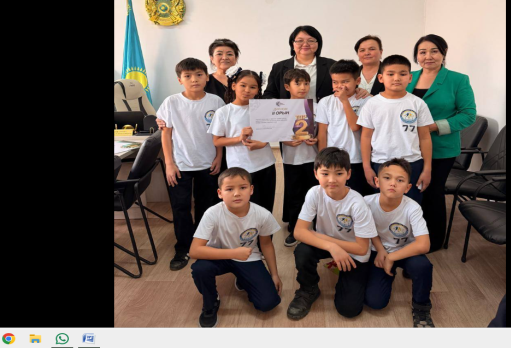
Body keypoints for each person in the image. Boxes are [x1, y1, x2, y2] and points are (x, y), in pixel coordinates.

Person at [287, 148, 377, 320]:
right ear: (316, 174)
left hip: (354, 251)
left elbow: (361, 248)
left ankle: (349, 275)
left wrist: (329, 242)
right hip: (327, 245)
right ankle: (308, 288)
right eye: (325, 173)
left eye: (339, 173)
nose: (332, 180)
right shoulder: (314, 193)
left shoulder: (357, 203)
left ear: (349, 174)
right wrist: (331, 246)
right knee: (302, 251)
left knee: (349, 310)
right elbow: (298, 231)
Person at [408, 35, 477, 253]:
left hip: (441, 147)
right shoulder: (408, 77)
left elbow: (468, 114)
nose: (428, 56)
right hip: (409, 146)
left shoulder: (458, 79)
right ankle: (412, 234)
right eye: (422, 52)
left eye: (434, 51)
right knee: (412, 191)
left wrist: (433, 126)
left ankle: (434, 240)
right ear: (416, 55)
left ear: (443, 53)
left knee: (432, 192)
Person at [189, 167, 282, 327]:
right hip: (218, 255)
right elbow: (194, 251)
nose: (237, 193)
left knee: (268, 303)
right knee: (200, 269)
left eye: (242, 187)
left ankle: (243, 279)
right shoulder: (212, 213)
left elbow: (266, 244)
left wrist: (274, 274)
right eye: (229, 189)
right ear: (220, 193)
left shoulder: (262, 214)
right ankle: (211, 302)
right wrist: (233, 253)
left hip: (247, 257)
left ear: (251, 190)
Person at [156, 58, 226, 271]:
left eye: (198, 75)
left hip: (208, 163)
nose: (194, 79)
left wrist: (218, 157)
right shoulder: (171, 102)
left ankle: (203, 243)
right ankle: (183, 247)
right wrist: (169, 163)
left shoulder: (216, 102)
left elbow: (219, 133)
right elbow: (165, 134)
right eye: (187, 76)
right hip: (180, 165)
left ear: (207, 77)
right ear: (180, 80)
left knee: (207, 206)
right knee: (181, 207)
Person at [364, 158, 435, 328]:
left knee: (423, 266)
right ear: (377, 182)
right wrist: (382, 251)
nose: (393, 183)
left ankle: (421, 307)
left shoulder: (413, 207)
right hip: (378, 251)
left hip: (404, 250)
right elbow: (367, 230)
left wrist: (392, 257)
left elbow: (424, 245)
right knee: (375, 302)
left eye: (400, 180)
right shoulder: (365, 202)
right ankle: (388, 273)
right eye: (387, 178)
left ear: (408, 188)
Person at [358, 54, 434, 205]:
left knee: (410, 206)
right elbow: (365, 137)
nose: (396, 78)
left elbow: (425, 137)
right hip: (381, 162)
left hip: (412, 163)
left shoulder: (417, 103)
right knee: (382, 206)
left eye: (402, 74)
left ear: (410, 78)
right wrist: (366, 167)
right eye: (391, 74)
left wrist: (427, 169)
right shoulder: (372, 104)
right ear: (381, 78)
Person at [209, 70, 278, 217]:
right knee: (247, 208)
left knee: (266, 206)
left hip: (266, 164)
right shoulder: (224, 112)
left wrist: (263, 143)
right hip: (241, 168)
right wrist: (239, 138)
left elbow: (273, 131)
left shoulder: (263, 108)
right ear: (233, 86)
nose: (247, 90)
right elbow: (217, 140)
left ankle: (266, 232)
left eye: (253, 87)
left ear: (258, 90)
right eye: (243, 85)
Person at [264, 25, 370, 102]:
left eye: (311, 40)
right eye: (300, 40)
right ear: (292, 44)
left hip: (325, 118)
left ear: (318, 44)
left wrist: (358, 90)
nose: (305, 44)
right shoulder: (279, 67)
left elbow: (344, 86)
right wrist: (281, 107)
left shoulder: (332, 65)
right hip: (289, 117)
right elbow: (269, 95)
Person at [317, 59, 372, 196]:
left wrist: (345, 101)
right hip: (332, 160)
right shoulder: (325, 102)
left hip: (356, 158)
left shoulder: (367, 101)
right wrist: (321, 159)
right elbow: (322, 133)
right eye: (335, 82)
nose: (340, 86)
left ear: (357, 81)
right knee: (333, 197)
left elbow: (355, 126)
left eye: (345, 81)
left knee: (357, 196)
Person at [280, 68, 320, 247]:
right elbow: (274, 131)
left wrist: (316, 138)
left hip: (313, 158)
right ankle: (295, 229)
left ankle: (318, 228)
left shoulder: (315, 106)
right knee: (294, 195)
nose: (303, 87)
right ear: (287, 87)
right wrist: (285, 141)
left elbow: (322, 130)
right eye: (298, 83)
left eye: (306, 83)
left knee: (315, 194)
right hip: (291, 160)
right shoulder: (279, 107)